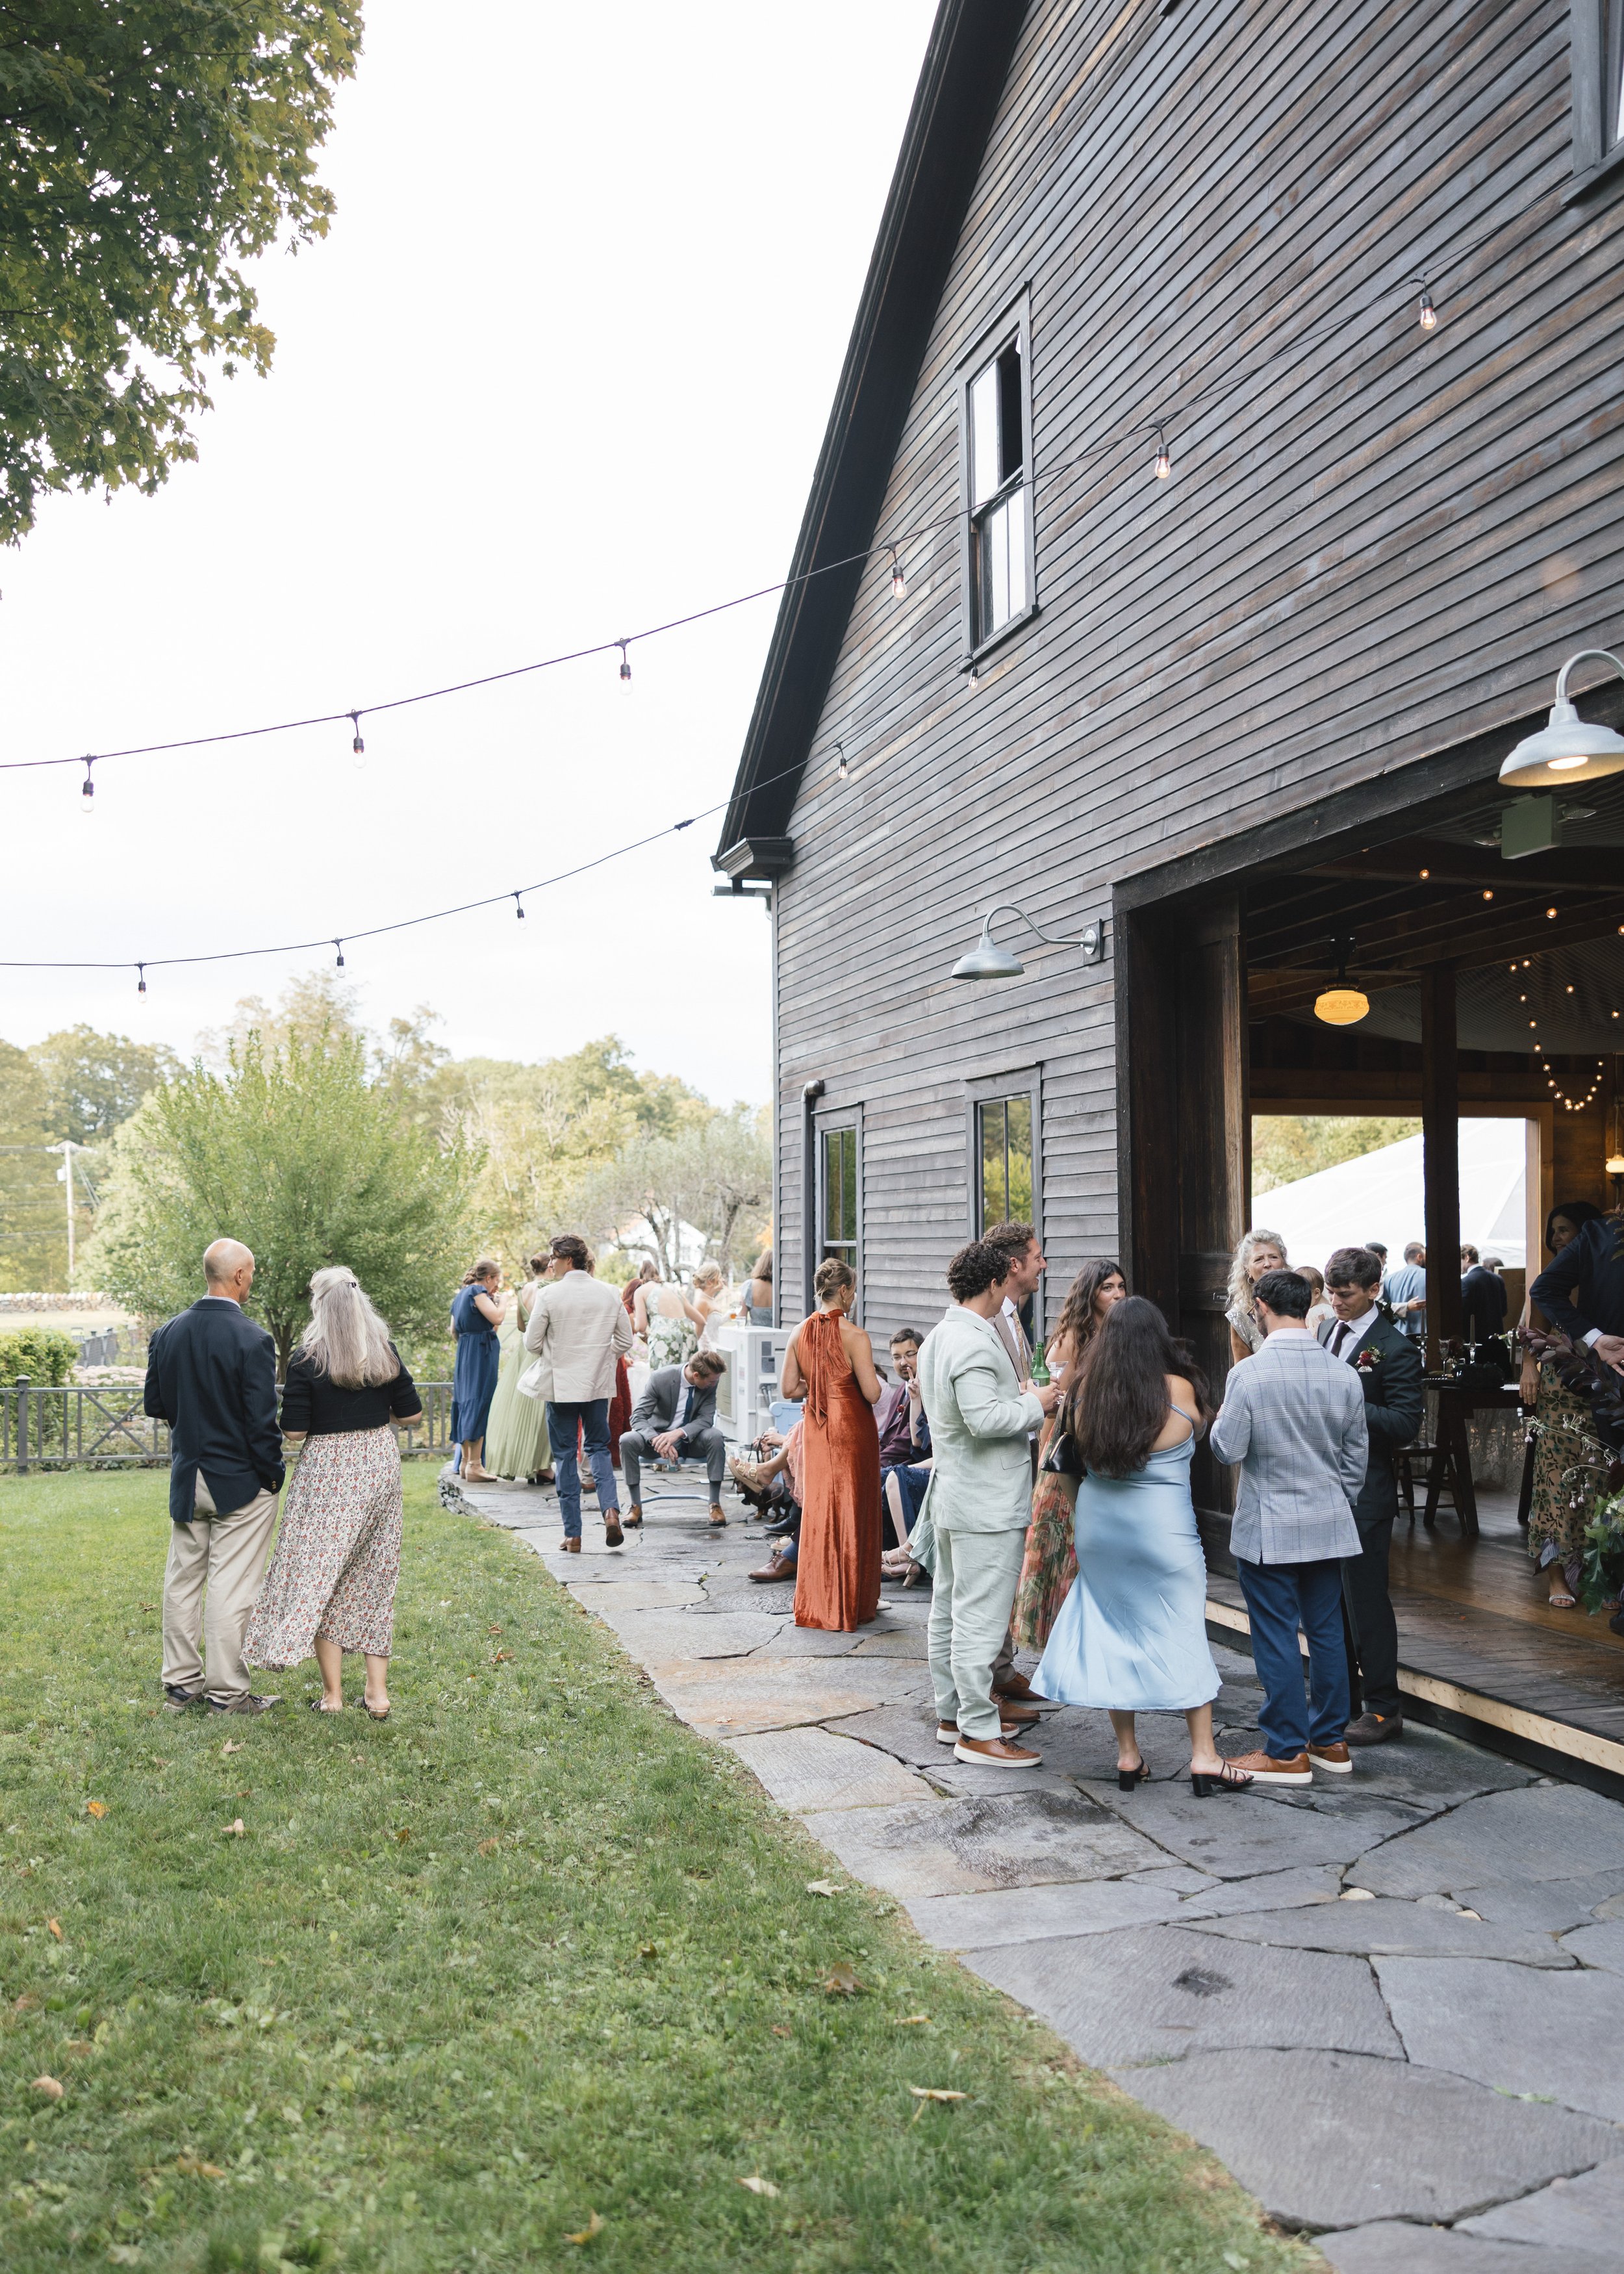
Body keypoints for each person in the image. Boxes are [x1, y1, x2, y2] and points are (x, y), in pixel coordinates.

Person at [1035, 1298, 1250, 1796]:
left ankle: (1129, 1756)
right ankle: (1205, 1756)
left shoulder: (1084, 1395)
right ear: (1158, 1338)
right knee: (1184, 1632)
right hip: (1164, 1532)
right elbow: (1201, 1435)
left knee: (1113, 1631)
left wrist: (1086, 1512)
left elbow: (1066, 1466)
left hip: (1100, 1528)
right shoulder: (1179, 1389)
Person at [1209, 1266, 1368, 1783]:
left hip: (1270, 1525)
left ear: (1262, 1307)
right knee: (1326, 1633)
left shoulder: (1249, 1374)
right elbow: (1355, 1459)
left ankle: (1285, 1749)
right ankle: (1331, 1741)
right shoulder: (1344, 1374)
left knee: (1275, 1634)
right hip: (1328, 1522)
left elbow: (1228, 1449)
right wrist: (1333, 1502)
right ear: (1308, 1307)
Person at [244, 1267, 422, 1718]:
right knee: (373, 1576)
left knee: (322, 1577)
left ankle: (334, 1696)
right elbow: (412, 1417)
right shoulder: (385, 1351)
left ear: (319, 1307)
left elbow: (296, 1432)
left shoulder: (307, 1359)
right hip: (379, 1464)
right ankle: (378, 1695)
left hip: (328, 1470)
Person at [917, 1240, 1060, 1766]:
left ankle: (952, 1714)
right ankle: (977, 1732)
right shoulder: (974, 1342)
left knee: (950, 1611)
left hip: (956, 1496)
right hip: (985, 1502)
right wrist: (1035, 1403)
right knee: (978, 1616)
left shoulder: (938, 1337)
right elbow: (984, 1420)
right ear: (997, 1281)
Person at [144, 1238, 286, 1715]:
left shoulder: (166, 1332)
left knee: (182, 1581)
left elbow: (156, 1405)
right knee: (232, 1585)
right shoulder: (253, 1339)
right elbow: (262, 1424)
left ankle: (181, 1686)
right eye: (252, 1275)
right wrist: (272, 1476)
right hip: (240, 1481)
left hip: (188, 1476)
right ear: (240, 1276)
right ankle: (228, 1694)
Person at [1319, 1245, 1423, 1746]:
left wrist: (1348, 1405)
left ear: (1375, 1291)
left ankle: (1384, 1707)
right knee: (1329, 1600)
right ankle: (1344, 1701)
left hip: (1368, 1491)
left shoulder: (1396, 1348)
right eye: (1331, 1293)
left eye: (1346, 1295)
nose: (1335, 1303)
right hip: (1323, 1487)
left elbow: (1405, 1424)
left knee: (1366, 1601)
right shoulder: (1325, 1333)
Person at [1012, 1258, 1128, 1650]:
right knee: (1062, 1547)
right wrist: (1048, 1459)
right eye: (1108, 1287)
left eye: (1120, 1287)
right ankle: (1062, 1640)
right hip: (1068, 1455)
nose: (1117, 1294)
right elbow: (1053, 1404)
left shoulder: (1119, 1332)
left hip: (1103, 1450)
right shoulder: (1072, 1338)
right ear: (1090, 1293)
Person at [780, 1256, 883, 1631]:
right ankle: (852, 1601)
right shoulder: (855, 1335)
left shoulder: (797, 1332)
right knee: (853, 1506)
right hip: (851, 1427)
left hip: (817, 1427)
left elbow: (789, 1389)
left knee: (822, 1508)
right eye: (853, 1290)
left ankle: (819, 1600)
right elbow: (872, 1393)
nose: (853, 1297)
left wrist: (818, 1387)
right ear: (843, 1290)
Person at [1525, 1200, 1617, 1607]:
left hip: (1603, 1385)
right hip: (1561, 1384)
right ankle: (1556, 1574)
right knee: (1556, 1478)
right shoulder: (1555, 1275)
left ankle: (1602, 1571)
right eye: (1555, 1231)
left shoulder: (1600, 1261)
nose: (1560, 1238)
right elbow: (1531, 1331)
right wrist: (1528, 1370)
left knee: (1600, 1479)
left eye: (1568, 1230)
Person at [978, 1220, 1054, 1707]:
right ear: (1013, 1265)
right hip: (992, 1466)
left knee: (1013, 1563)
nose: (1043, 1264)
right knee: (994, 1573)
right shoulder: (986, 1321)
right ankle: (985, 1683)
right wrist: (1035, 1397)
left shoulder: (1015, 1314)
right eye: (1036, 1256)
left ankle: (1003, 1669)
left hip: (1022, 1449)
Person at [524, 1233, 633, 1551]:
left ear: (567, 1259)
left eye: (554, 1258)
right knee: (598, 1449)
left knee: (565, 1456)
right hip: (597, 1385)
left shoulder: (549, 1295)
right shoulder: (610, 1293)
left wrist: (560, 1354)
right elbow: (625, 1343)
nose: (551, 1264)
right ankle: (611, 1512)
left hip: (560, 1386)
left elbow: (532, 1344)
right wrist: (599, 1357)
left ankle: (573, 1534)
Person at [620, 1349, 730, 1524]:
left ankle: (715, 1504)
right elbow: (638, 1416)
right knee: (627, 1439)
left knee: (715, 1436)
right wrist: (656, 1439)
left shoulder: (710, 1382)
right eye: (711, 1381)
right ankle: (635, 1506)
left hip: (690, 1441)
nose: (714, 1384)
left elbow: (706, 1419)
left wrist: (678, 1433)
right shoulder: (660, 1378)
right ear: (696, 1375)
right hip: (655, 1441)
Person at [484, 1253, 554, 1483]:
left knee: (521, 1412)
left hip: (524, 1354)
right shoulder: (551, 1287)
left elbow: (523, 1326)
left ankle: (528, 1466)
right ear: (550, 1268)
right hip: (545, 1351)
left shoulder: (524, 1290)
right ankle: (542, 1467)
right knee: (541, 1411)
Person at [450, 1260, 504, 1481]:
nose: (496, 1286)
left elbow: (453, 1331)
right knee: (479, 1401)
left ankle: (464, 1463)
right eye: (496, 1281)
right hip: (481, 1352)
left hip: (465, 1350)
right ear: (489, 1278)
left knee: (465, 1402)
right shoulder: (477, 1290)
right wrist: (504, 1302)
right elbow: (498, 1318)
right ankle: (475, 1465)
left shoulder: (460, 1295)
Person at [1225, 1228, 1288, 1363]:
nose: (1267, 1264)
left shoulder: (1301, 1301)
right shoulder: (1240, 1315)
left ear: (1283, 1263)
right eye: (1259, 1259)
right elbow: (1241, 1370)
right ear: (1247, 1269)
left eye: (1273, 1257)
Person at [635, 1273, 704, 1371]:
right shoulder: (673, 1287)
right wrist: (692, 1340)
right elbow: (701, 1321)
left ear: (642, 1280)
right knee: (687, 1379)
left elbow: (641, 1327)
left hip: (663, 1338)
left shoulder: (640, 1291)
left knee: (662, 1380)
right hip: (688, 1333)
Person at [1460, 1246, 1508, 1342]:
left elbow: (1463, 1314)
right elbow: (1504, 1311)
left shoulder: (1466, 1282)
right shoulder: (1498, 1278)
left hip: (1476, 1340)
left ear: (1466, 1257)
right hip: (1497, 1339)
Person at [1385, 1242, 1428, 1342]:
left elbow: (1385, 1308)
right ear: (1420, 1257)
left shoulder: (1389, 1279)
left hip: (1399, 1335)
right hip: (1425, 1335)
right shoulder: (1430, 1276)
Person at [1303, 1266, 1334, 1334]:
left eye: (1302, 1296)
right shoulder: (1331, 1308)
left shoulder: (1315, 1313)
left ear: (1316, 1293)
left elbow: (1315, 1338)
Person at [746, 1250, 774, 1325]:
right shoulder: (781, 1288)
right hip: (780, 1335)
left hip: (755, 1335)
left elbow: (741, 1318)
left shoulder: (749, 1286)